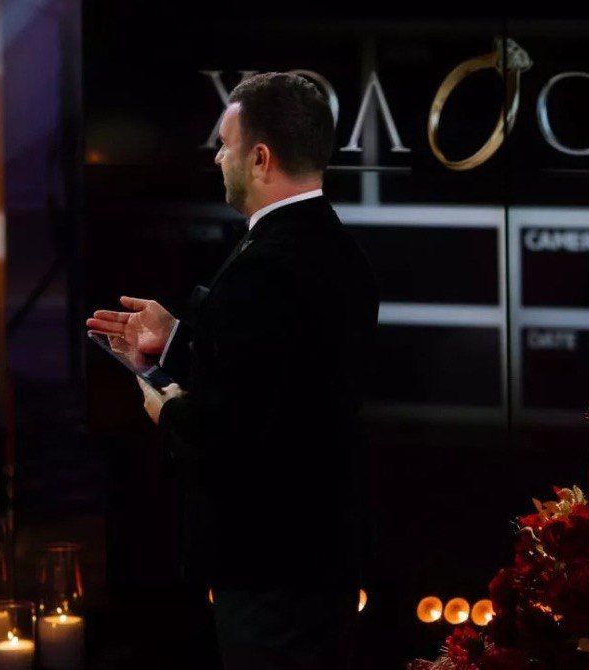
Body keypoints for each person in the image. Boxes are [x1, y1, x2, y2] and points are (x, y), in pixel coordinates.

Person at [87, 72, 379, 669]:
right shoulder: (336, 249)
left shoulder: (266, 266)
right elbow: (277, 376)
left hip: (270, 564)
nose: (219, 158)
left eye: (226, 145)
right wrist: (175, 340)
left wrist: (166, 409)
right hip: (319, 556)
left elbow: (242, 427)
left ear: (261, 158)